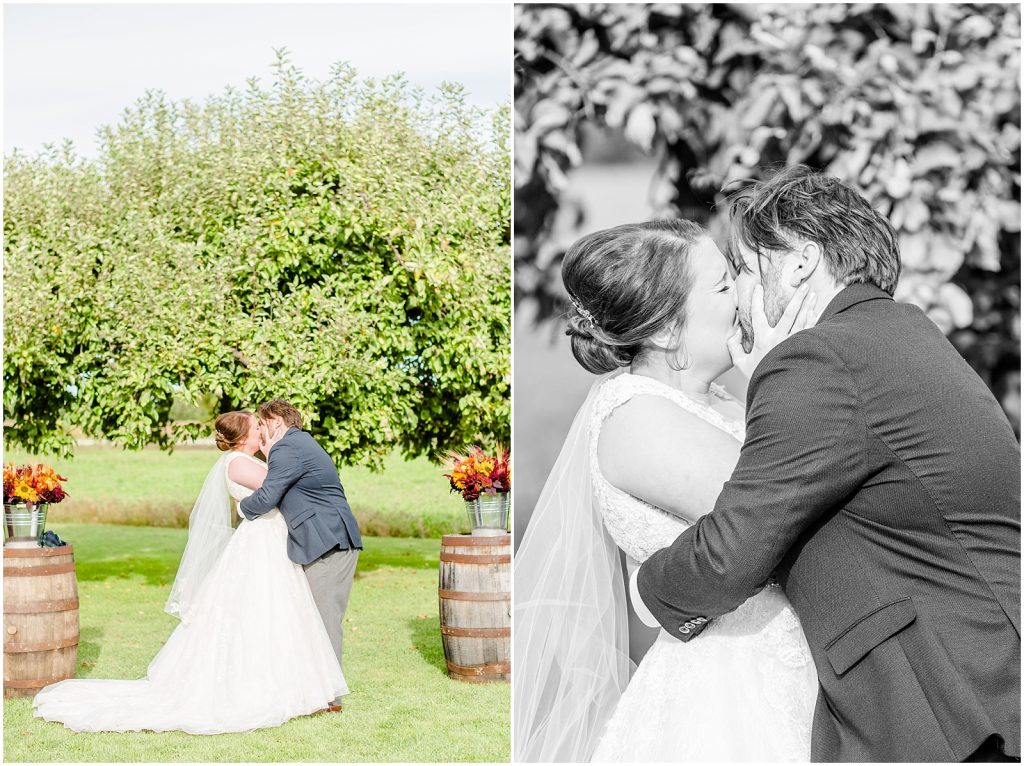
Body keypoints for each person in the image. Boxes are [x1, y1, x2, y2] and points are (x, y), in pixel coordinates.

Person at [634, 166, 1021, 762]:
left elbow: (730, 554)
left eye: (746, 265)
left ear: (798, 262)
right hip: (982, 682)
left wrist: (646, 586)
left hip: (949, 711)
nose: (741, 291)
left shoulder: (820, 361)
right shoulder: (896, 334)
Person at [513, 217, 819, 762]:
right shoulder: (637, 416)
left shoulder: (724, 399)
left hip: (787, 666)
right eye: (725, 285)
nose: (747, 295)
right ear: (664, 331)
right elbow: (785, 504)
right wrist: (785, 366)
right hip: (728, 697)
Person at [33, 410, 348, 734]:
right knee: (260, 609)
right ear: (243, 436)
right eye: (257, 427)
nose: (262, 431)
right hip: (260, 542)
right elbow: (273, 492)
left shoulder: (252, 459)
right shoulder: (238, 462)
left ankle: (297, 686)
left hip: (270, 540)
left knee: (279, 612)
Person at [239, 398, 362, 713]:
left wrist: (241, 508)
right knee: (314, 619)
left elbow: (267, 496)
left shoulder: (287, 448)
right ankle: (316, 691)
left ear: (276, 421)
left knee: (323, 620)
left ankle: (330, 697)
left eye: (263, 425)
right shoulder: (296, 444)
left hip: (329, 541)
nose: (261, 432)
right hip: (322, 539)